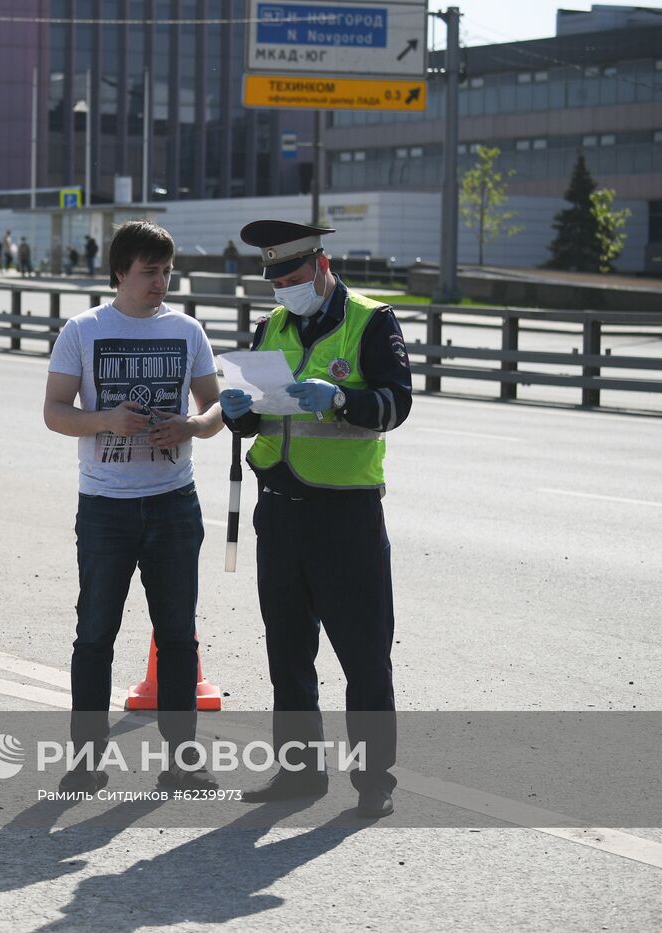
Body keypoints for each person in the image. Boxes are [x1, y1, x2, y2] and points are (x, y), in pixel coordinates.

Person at [218, 220, 411, 819]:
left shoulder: (370, 321)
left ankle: (373, 781)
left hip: (345, 515)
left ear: (322, 267)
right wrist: (239, 415)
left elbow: (396, 404)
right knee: (288, 652)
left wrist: (341, 400)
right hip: (280, 512)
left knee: (363, 653)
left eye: (294, 278)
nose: (284, 290)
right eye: (275, 281)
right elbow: (265, 417)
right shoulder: (271, 325)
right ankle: (299, 775)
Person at [44, 220, 224, 793]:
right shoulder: (83, 329)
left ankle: (182, 761)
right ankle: (84, 763)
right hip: (106, 506)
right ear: (120, 272)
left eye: (168, 272)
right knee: (95, 634)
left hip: (174, 503)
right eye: (150, 272)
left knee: (177, 635)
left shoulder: (188, 330)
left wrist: (192, 426)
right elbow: (53, 411)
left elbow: (217, 409)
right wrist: (104, 420)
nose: (161, 283)